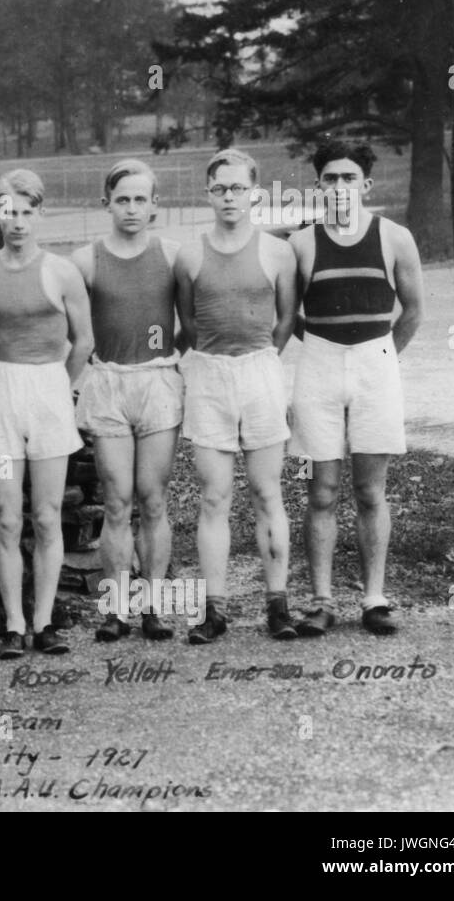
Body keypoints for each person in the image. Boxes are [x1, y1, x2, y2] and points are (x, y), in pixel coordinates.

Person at [288, 142, 424, 636]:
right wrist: (324, 348)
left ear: (365, 185)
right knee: (320, 491)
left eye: (349, 178)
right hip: (319, 365)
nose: (340, 187)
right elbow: (288, 318)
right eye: (330, 178)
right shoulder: (301, 244)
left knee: (370, 490)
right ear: (319, 186)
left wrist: (382, 356)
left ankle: (374, 598)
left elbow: (412, 312)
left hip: (375, 364)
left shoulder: (394, 237)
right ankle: (321, 601)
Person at [174, 149, 298, 643]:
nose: (230, 197)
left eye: (239, 188)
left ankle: (278, 605)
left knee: (269, 492)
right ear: (208, 193)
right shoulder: (189, 255)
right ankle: (215, 610)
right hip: (209, 377)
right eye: (220, 188)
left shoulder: (277, 252)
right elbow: (187, 322)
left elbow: (286, 320)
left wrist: (261, 358)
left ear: (254, 192)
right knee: (214, 497)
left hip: (260, 373)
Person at [0, 169, 92, 659]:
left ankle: (44, 621)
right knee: (5, 516)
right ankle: (13, 624)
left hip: (48, 396)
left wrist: (59, 383)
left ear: (39, 213)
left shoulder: (62, 272)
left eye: (26, 211)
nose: (17, 222)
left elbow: (84, 340)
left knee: (45, 515)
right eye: (8, 212)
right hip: (1, 396)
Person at [72, 159, 185, 641]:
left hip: (157, 381)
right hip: (108, 382)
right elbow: (71, 331)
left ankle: (154, 605)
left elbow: (195, 323)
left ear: (155, 205)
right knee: (117, 502)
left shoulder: (175, 256)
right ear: (107, 205)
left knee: (153, 499)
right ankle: (116, 608)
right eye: (123, 199)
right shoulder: (84, 260)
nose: (132, 208)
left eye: (141, 199)